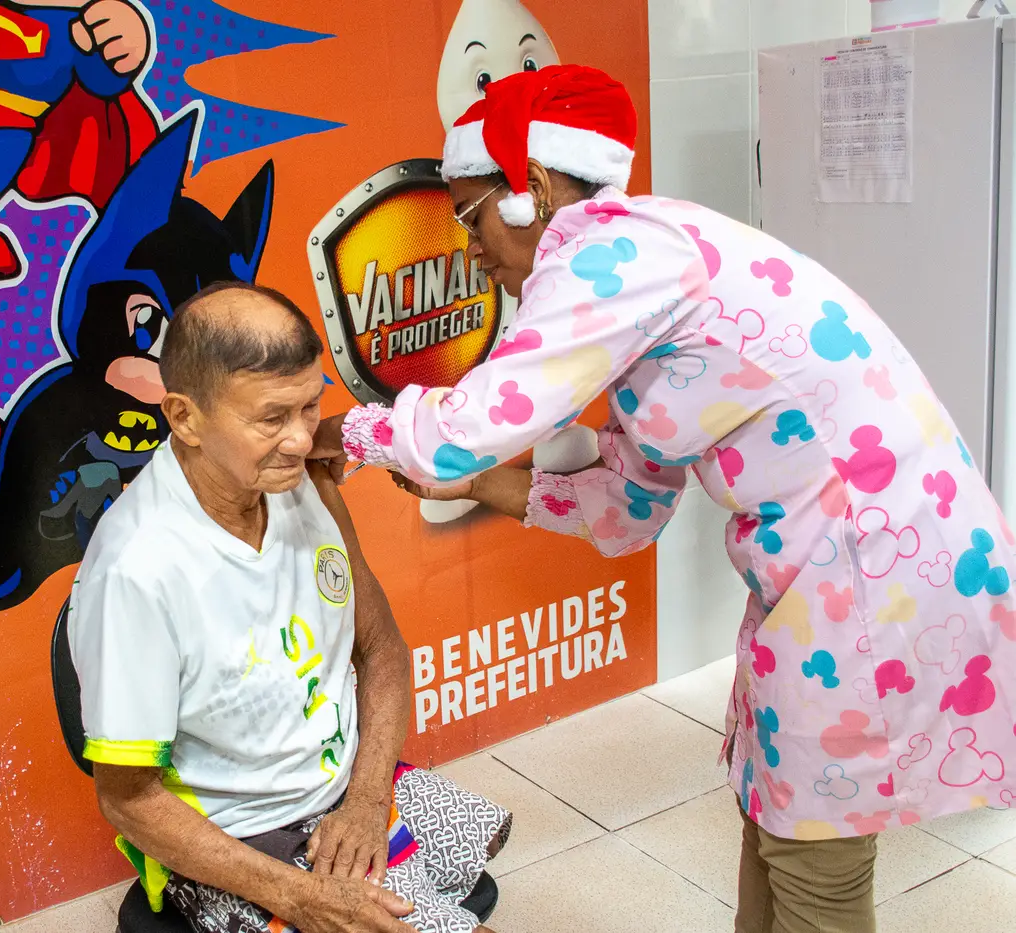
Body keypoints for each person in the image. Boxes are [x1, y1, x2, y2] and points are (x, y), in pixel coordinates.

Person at [310, 65, 1016, 933]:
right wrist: (477, 481)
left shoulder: (611, 253)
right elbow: (628, 507)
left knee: (815, 859)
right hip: (823, 570)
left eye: (469, 214)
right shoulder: (633, 280)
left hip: (878, 568)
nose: (471, 248)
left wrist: (348, 430)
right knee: (776, 821)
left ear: (531, 188)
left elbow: (470, 425)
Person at [69, 282, 511, 933]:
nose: (303, 440)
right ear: (184, 417)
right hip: (242, 837)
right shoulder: (137, 570)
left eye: (310, 406)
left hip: (340, 790)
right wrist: (300, 896)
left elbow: (381, 649)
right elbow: (128, 800)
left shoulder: (302, 485)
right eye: (272, 418)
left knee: (476, 859)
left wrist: (367, 799)